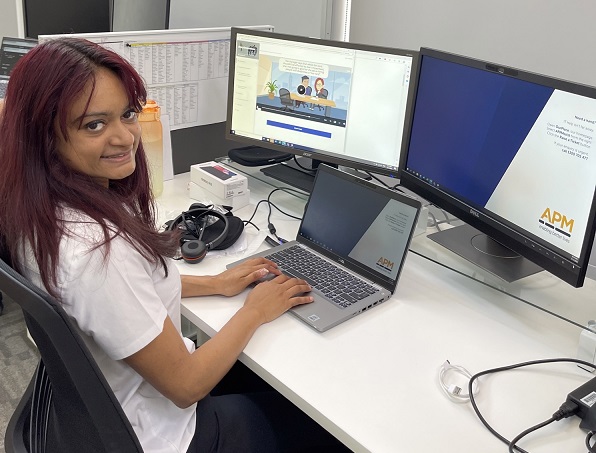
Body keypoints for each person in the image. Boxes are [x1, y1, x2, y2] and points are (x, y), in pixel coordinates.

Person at [0, 38, 348, 453]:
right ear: (42, 136)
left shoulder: (34, 208)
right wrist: (254, 311)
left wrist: (216, 283)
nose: (125, 138)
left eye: (127, 114)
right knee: (326, 424)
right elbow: (187, 385)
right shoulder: (96, 253)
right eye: (94, 124)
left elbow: (129, 295)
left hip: (101, 413)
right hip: (166, 434)